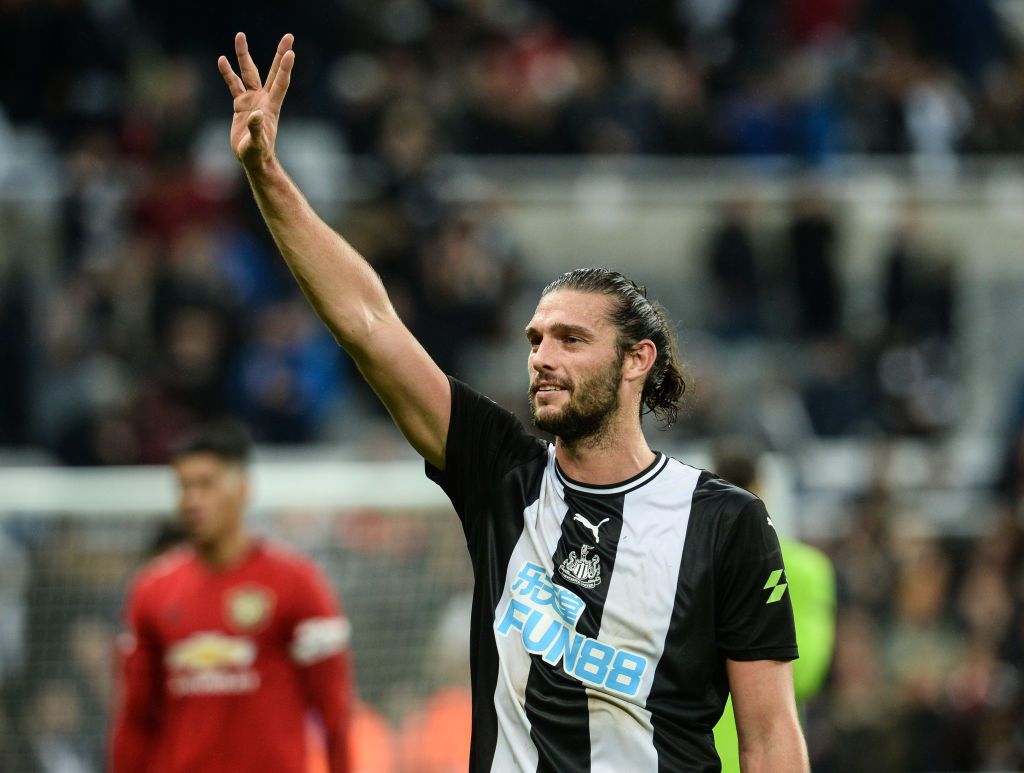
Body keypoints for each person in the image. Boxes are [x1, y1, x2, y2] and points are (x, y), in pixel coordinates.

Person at [217, 32, 808, 771]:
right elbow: (369, 323)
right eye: (535, 340)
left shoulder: (726, 522)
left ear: (637, 360)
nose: (542, 357)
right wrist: (268, 177)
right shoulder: (502, 474)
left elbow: (770, 736)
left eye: (570, 339)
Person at [108, 420, 353, 772]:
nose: (192, 500)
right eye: (184, 486)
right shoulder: (152, 590)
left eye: (206, 484)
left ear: (243, 489)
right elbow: (135, 721)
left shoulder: (297, 583)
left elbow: (334, 712)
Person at [709, 440, 836, 772]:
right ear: (762, 489)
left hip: (697, 752)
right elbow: (806, 673)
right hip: (770, 752)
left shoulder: (688, 564)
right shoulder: (807, 568)